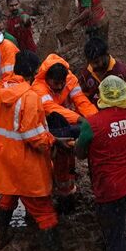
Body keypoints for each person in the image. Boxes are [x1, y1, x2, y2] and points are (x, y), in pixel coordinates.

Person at [0, 49, 64, 251]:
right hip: (26, 162)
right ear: (33, 72)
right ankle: (51, 250)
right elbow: (34, 136)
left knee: (7, 197)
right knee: (43, 209)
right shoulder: (30, 98)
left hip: (4, 158)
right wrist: (54, 141)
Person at [76, 75, 126, 251]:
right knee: (116, 221)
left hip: (111, 190)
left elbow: (80, 154)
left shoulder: (92, 123)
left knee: (116, 237)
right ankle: (109, 242)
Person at [34, 54, 97, 209]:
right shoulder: (38, 87)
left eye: (62, 83)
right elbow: (51, 108)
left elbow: (81, 101)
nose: (60, 87)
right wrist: (81, 120)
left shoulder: (70, 79)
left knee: (68, 161)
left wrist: (96, 119)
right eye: (56, 83)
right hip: (50, 129)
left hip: (68, 126)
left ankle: (66, 191)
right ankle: (56, 194)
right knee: (54, 163)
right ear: (47, 79)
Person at [78, 36, 126, 106]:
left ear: (106, 55)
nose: (93, 66)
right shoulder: (86, 73)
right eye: (90, 62)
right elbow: (83, 97)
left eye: (97, 62)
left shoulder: (122, 73)